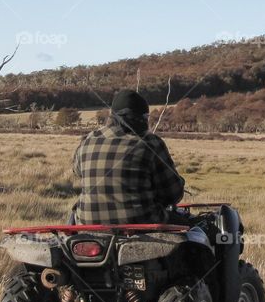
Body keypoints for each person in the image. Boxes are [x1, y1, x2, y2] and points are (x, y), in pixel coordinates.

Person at [71, 89, 185, 224]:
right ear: (142, 118)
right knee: (194, 229)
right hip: (143, 223)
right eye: (145, 117)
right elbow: (173, 194)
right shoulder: (151, 143)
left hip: (87, 223)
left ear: (112, 116)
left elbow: (77, 171)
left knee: (73, 213)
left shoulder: (88, 140)